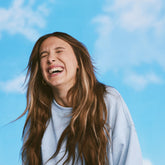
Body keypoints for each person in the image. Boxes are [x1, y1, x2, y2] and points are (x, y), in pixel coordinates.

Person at [20, 32, 143, 165]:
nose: (51, 59)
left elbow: (129, 157)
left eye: (59, 51)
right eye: (43, 55)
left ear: (78, 62)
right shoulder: (38, 120)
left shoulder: (107, 99)